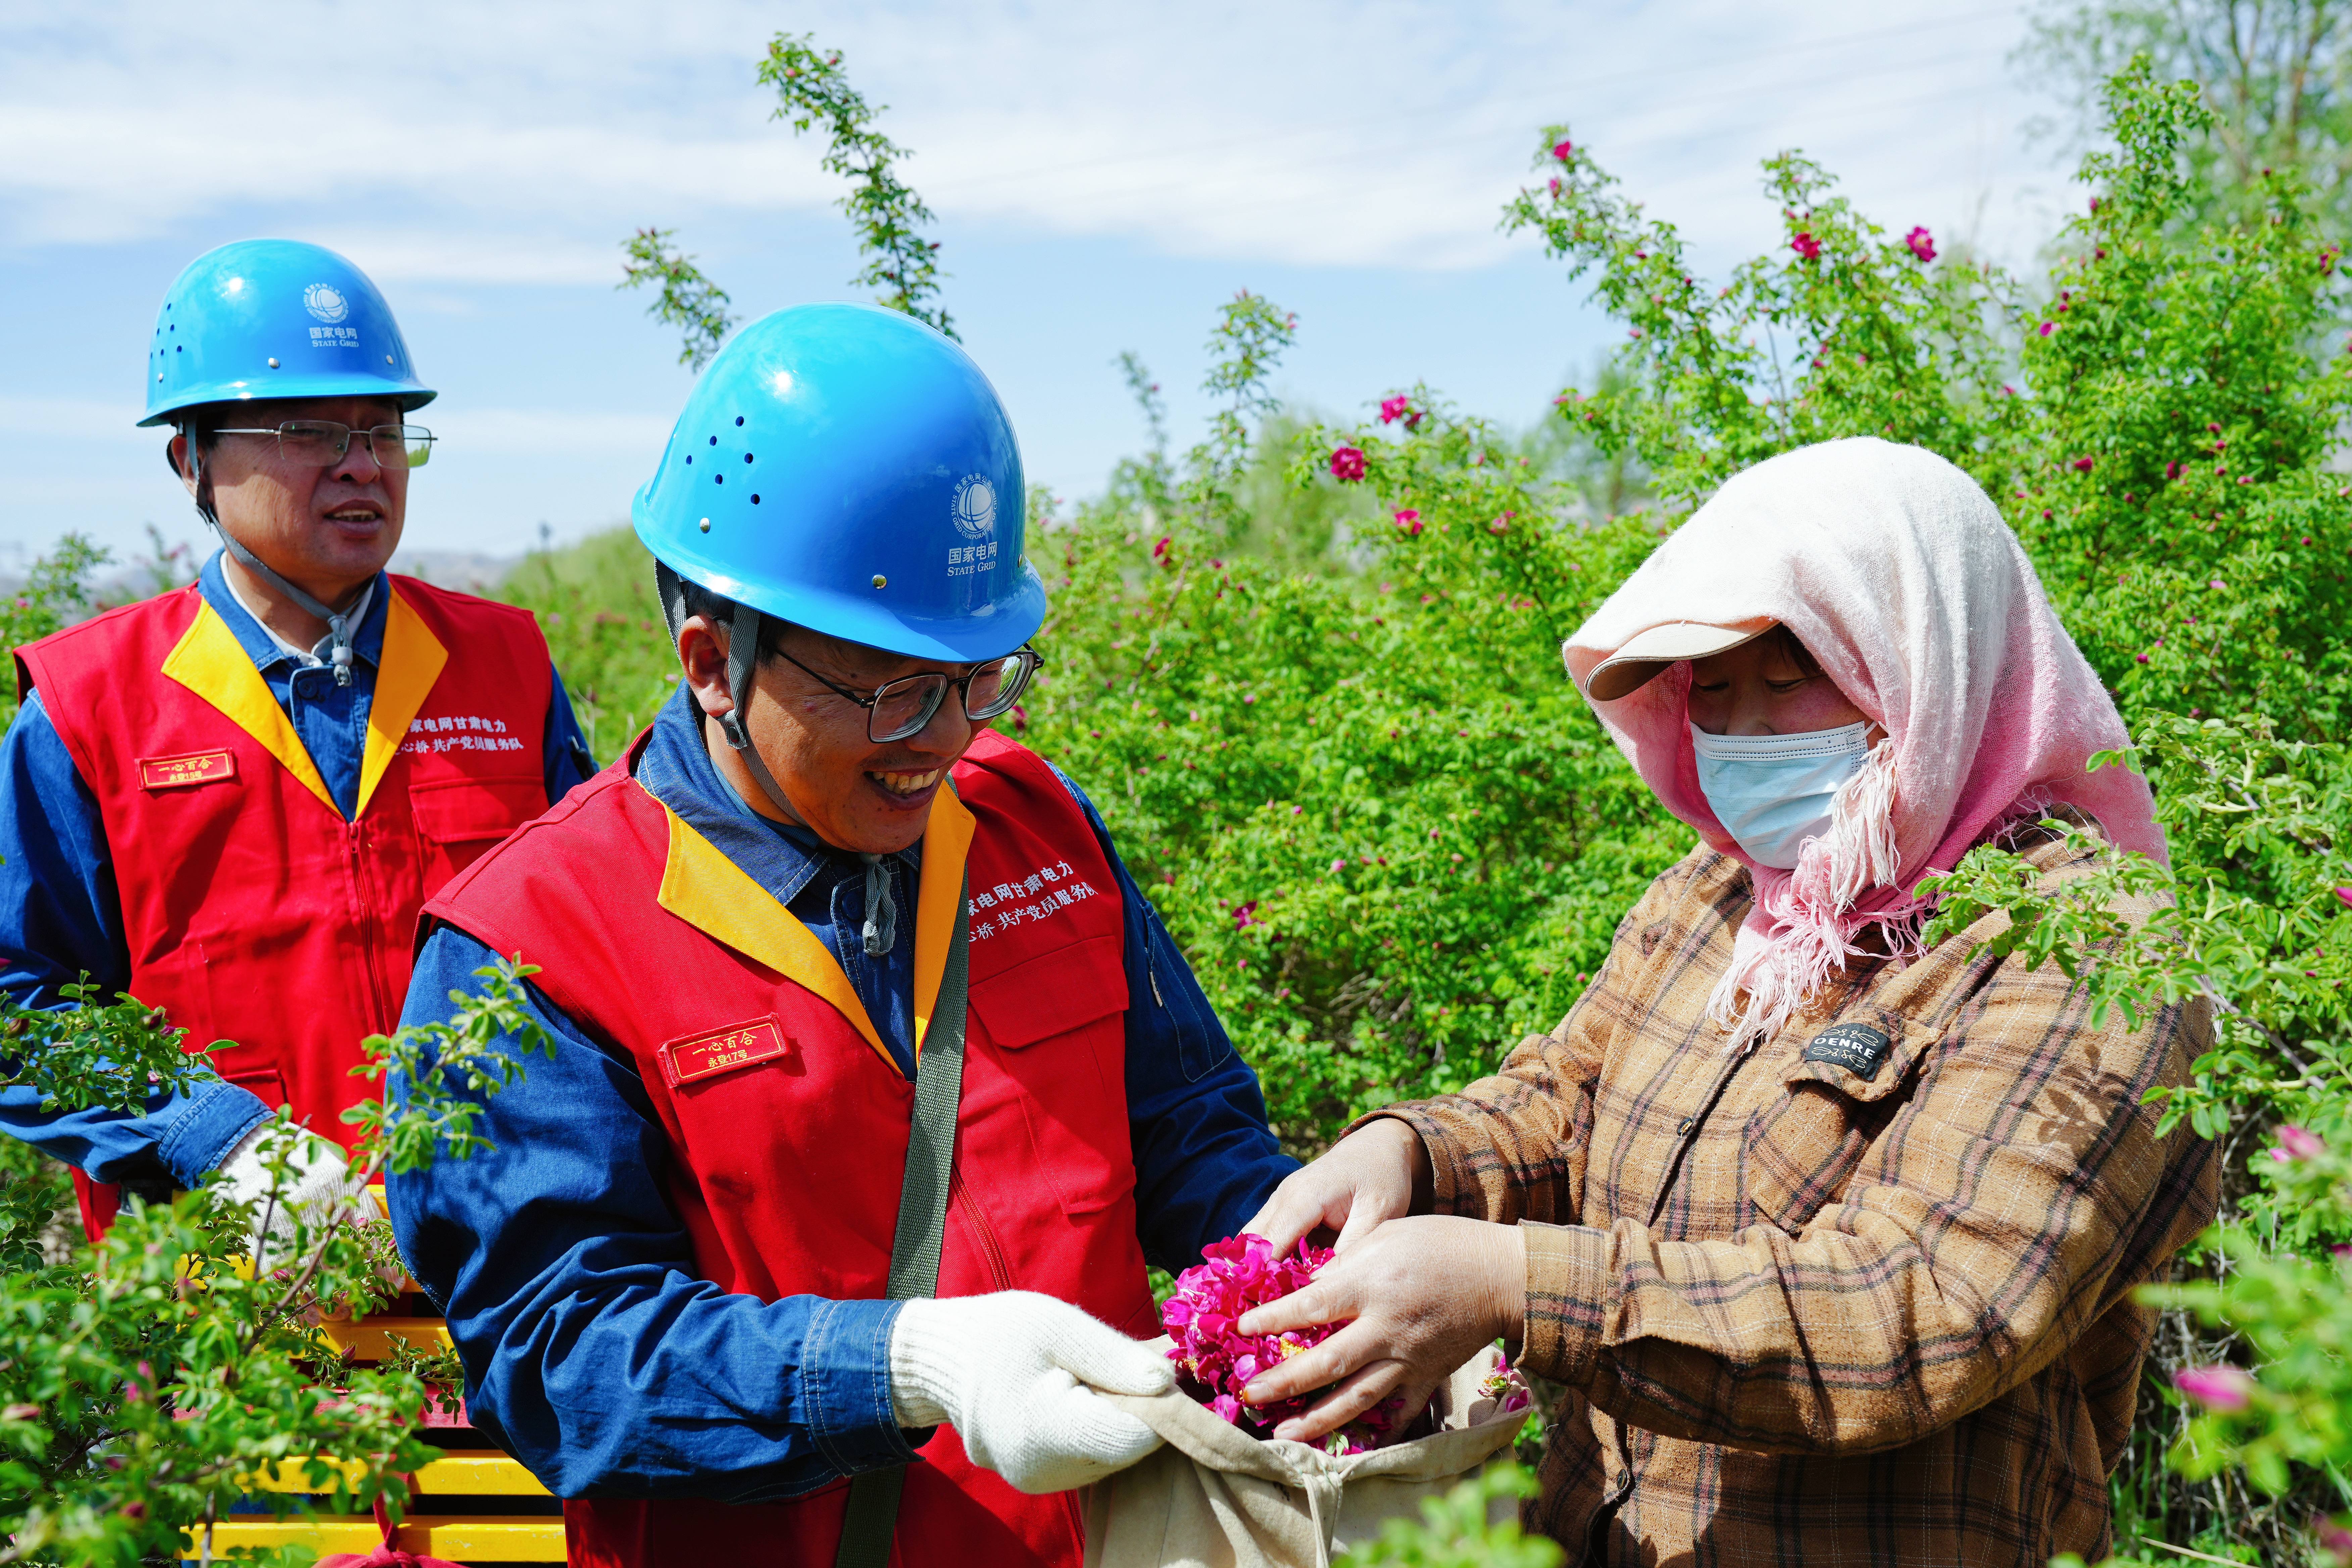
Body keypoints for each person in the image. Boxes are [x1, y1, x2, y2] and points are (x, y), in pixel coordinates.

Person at [388, 302, 1295, 1568]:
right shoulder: (529, 945)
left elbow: (1196, 1135)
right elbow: (561, 1355)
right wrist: (904, 1368)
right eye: (890, 687)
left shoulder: (1034, 825)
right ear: (713, 661)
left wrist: (1311, 1289)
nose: (947, 734)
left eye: (982, 677)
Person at [1235, 438, 2219, 1566]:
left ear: (1919, 654)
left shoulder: (2087, 949)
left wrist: (1514, 1283)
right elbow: (1566, 1098)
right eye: (1712, 684)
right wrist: (1414, 1155)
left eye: (1791, 674)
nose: (1742, 729)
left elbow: (1925, 1305)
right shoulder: (1727, 893)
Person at [0, 239, 597, 1241]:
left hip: (497, 1295)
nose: (363, 464)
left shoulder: (504, 664)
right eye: (308, 430)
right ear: (191, 457)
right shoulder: (85, 706)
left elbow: (585, 955)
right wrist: (216, 1139)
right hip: (224, 1331)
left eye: (386, 430)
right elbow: (22, 1010)